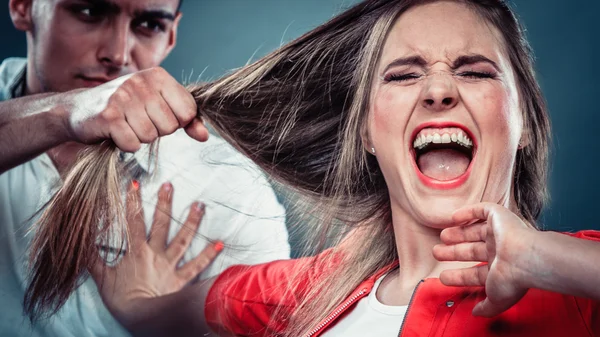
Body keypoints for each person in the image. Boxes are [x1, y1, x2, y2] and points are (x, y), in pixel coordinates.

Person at [30, 0, 600, 336]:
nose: (439, 89)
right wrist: (134, 302)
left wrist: (539, 258)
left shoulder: (575, 291)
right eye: (403, 75)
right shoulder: (311, 291)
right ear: (368, 134)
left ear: (524, 122)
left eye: (475, 71)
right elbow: (164, 315)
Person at [0, 0, 289, 336]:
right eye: (90, 12)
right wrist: (64, 114)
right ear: (23, 7)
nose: (118, 53)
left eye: (150, 25)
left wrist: (164, 316)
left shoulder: (230, 185)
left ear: (170, 36)